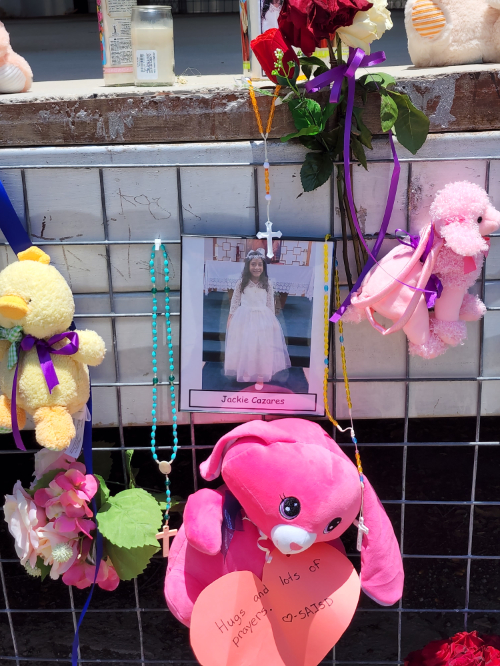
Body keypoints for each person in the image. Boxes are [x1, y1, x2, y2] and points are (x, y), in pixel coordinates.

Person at [224, 249, 291, 389]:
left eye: (260, 264)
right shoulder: (241, 283)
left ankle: (261, 376)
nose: (257, 267)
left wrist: (272, 321)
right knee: (247, 345)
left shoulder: (268, 283)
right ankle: (247, 371)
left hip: (263, 318)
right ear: (248, 266)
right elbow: (235, 302)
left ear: (264, 267)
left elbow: (270, 303)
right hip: (244, 318)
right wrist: (230, 318)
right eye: (253, 264)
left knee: (262, 347)